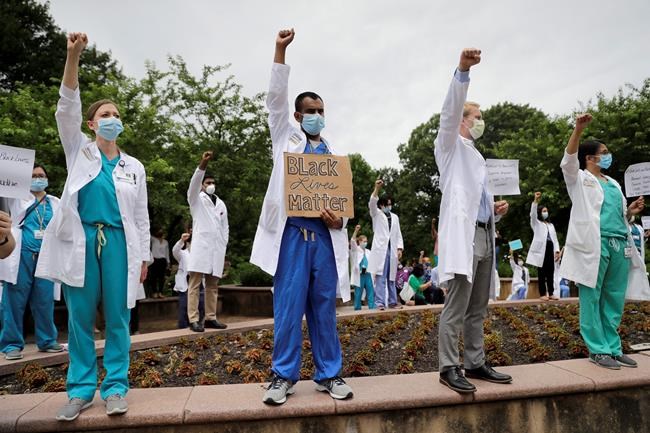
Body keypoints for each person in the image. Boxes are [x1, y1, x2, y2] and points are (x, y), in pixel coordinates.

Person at [35, 33, 150, 421]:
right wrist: (73, 56)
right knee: (80, 316)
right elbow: (66, 107)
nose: (112, 120)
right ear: (91, 123)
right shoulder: (79, 151)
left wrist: (145, 256)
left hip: (119, 243)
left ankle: (116, 386)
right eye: (105, 115)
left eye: (116, 115)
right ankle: (81, 389)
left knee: (117, 316)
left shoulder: (134, 167)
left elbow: (141, 216)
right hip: (81, 239)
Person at [251, 29, 352, 405]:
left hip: (324, 239)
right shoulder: (285, 138)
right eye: (310, 111)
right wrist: (279, 50)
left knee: (324, 308)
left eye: (321, 111)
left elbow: (343, 206)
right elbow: (274, 100)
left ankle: (329, 375)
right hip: (292, 237)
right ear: (297, 116)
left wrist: (337, 221)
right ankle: (282, 376)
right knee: (289, 308)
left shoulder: (334, 154)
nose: (317, 116)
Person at [434, 48, 512, 394]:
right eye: (476, 116)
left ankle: (476, 361)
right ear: (462, 121)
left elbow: (474, 199)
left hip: (484, 234)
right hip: (465, 238)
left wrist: (493, 211)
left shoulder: (477, 155)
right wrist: (463, 72)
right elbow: (449, 112)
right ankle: (448, 366)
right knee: (457, 304)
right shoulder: (449, 145)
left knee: (479, 304)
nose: (480, 121)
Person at [560, 113, 649, 369]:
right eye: (604, 152)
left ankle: (613, 346)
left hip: (619, 244)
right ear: (590, 158)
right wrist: (578, 129)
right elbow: (568, 160)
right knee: (592, 297)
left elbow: (617, 215)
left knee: (614, 297)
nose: (608, 156)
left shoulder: (612, 183)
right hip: (594, 247)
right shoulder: (579, 179)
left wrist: (631, 210)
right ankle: (598, 350)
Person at [0, 165, 63, 360]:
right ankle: (11, 345)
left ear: (47, 178)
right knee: (14, 301)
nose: (38, 178)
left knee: (44, 300)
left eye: (41, 175)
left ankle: (47, 340)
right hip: (21, 256)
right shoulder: (16, 197)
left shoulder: (55, 202)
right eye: (34, 175)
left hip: (45, 257)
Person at [186, 151, 229, 332]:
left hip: (216, 250)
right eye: (207, 183)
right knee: (195, 284)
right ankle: (193, 319)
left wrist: (223, 244)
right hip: (201, 249)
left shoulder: (220, 203)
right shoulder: (196, 199)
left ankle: (211, 317)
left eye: (213, 183)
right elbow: (193, 184)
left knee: (212, 286)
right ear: (202, 186)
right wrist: (202, 164)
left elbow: (225, 227)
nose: (211, 185)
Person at [368, 180, 404, 310]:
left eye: (391, 204)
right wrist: (376, 188)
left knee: (392, 276)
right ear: (382, 205)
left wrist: (399, 248)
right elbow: (372, 202)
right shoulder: (376, 214)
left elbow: (398, 234)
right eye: (387, 204)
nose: (389, 206)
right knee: (381, 276)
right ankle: (380, 303)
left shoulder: (395, 217)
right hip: (381, 250)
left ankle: (393, 302)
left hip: (392, 249)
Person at [525, 192, 560, 300]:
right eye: (544, 211)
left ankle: (551, 292)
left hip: (550, 249)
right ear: (540, 212)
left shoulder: (551, 225)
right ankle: (543, 294)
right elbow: (533, 215)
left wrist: (557, 250)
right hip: (541, 250)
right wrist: (535, 201)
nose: (546, 212)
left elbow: (555, 239)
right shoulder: (536, 223)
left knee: (551, 271)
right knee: (542, 272)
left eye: (547, 211)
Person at [172, 231, 205, 328]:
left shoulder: (201, 255)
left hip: (199, 284)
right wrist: (182, 240)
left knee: (201, 305)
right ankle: (183, 328)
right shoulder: (182, 254)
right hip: (185, 283)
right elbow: (175, 250)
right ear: (188, 243)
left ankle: (198, 324)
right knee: (183, 307)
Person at [350, 225, 375, 310]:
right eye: (364, 241)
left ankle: (372, 307)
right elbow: (352, 241)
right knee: (358, 293)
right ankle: (357, 308)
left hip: (368, 274)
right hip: (359, 275)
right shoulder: (355, 250)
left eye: (366, 241)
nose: (365, 243)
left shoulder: (368, 251)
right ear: (359, 242)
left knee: (370, 291)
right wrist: (356, 231)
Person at [148, 228, 170, 298]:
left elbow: (167, 252)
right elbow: (146, 233)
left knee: (161, 277)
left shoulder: (165, 242)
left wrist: (168, 262)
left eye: (161, 230)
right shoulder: (153, 239)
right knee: (153, 277)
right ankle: (154, 292)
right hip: (154, 260)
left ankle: (160, 292)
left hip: (162, 261)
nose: (160, 231)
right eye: (158, 230)